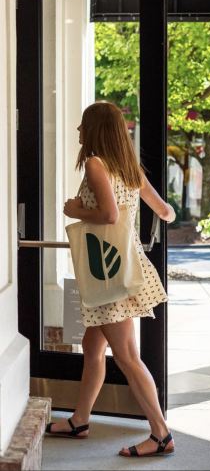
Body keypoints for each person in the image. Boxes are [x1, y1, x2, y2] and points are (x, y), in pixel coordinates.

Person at [45, 102, 176, 458]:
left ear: (95, 129)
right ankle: (80, 420)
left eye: (82, 125)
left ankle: (161, 434)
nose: (77, 132)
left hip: (107, 272)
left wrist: (76, 211)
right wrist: (145, 222)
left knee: (128, 355)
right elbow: (166, 211)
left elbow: (108, 214)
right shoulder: (129, 168)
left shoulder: (95, 164)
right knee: (92, 347)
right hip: (125, 266)